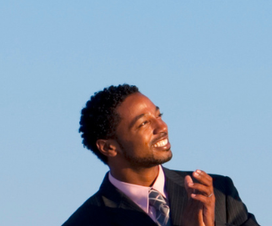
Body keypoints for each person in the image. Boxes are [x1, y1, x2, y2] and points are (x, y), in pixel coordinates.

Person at [63, 84, 261, 226]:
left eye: (159, 115)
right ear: (109, 148)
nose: (162, 127)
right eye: (143, 124)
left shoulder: (218, 192)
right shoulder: (86, 221)